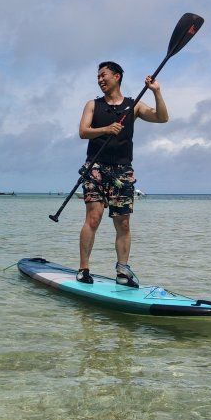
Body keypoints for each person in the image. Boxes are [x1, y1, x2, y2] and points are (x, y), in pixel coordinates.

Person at [76, 61, 169, 287]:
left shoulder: (133, 105)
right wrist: (106, 130)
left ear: (117, 77)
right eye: (97, 76)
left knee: (123, 223)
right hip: (95, 167)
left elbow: (162, 117)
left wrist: (157, 92)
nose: (99, 80)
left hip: (123, 170)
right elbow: (83, 132)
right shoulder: (92, 105)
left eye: (103, 75)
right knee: (93, 218)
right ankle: (84, 269)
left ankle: (122, 271)